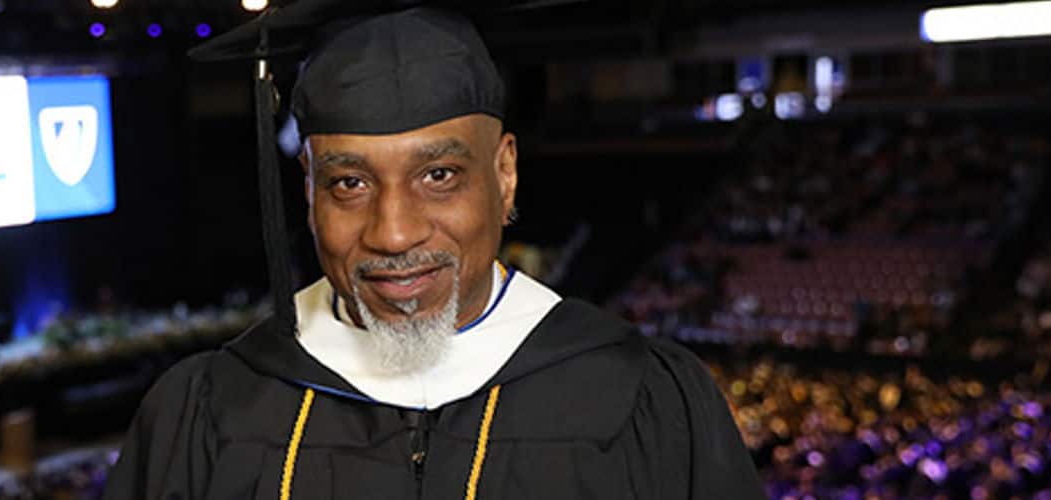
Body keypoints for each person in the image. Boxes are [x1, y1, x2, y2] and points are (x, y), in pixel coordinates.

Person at [102, 1, 762, 498]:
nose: (394, 233)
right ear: (307, 190)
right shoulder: (206, 412)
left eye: (438, 175)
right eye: (349, 182)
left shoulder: (645, 402)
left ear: (504, 175)